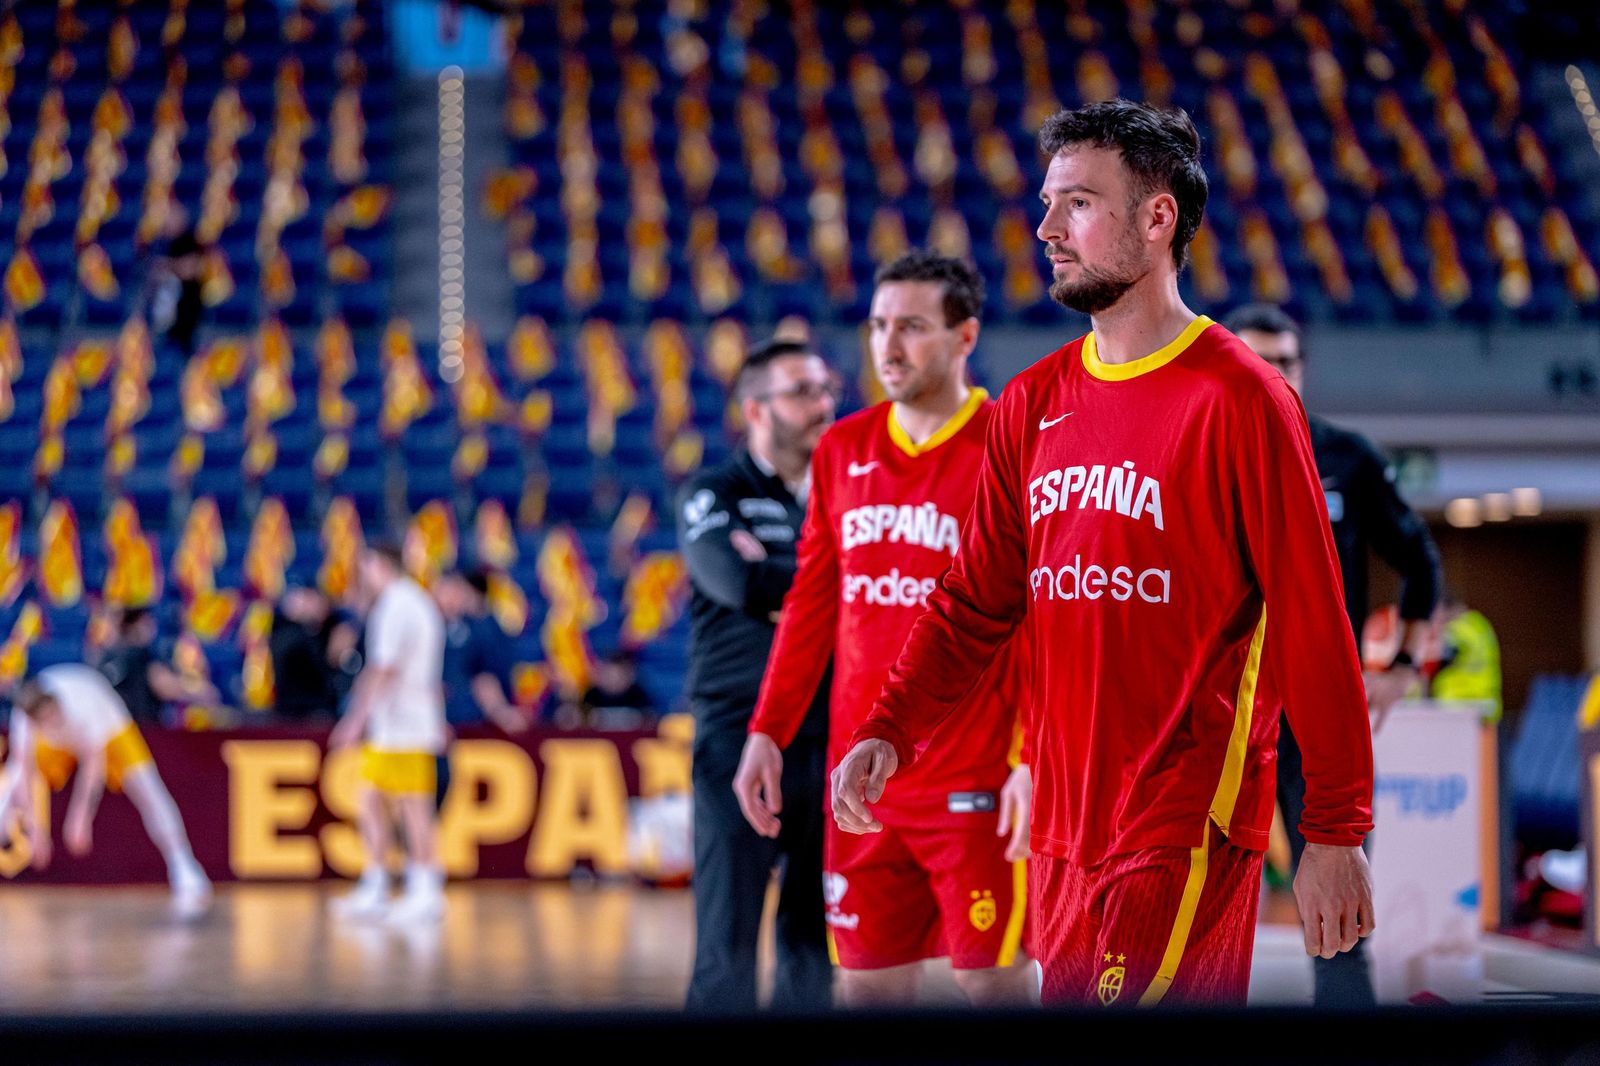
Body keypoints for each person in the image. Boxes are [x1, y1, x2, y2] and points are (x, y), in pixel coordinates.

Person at [832, 99, 1376, 1008]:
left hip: (1181, 821)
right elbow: (973, 602)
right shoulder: (1032, 401)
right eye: (1048, 203)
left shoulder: (1241, 398)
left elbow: (1315, 624)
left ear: (1157, 219)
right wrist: (890, 727)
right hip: (1062, 827)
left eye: (1078, 203)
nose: (1046, 228)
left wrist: (1334, 829)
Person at [734, 251, 1034, 1007]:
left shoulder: (1011, 443)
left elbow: (1040, 616)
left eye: (911, 327)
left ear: (965, 337)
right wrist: (766, 730)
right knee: (866, 988)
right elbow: (810, 606)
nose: (887, 347)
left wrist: (1034, 756)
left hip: (978, 774)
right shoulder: (842, 448)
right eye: (876, 326)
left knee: (991, 980)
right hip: (861, 780)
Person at [1229, 303, 1443, 1007]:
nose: (1273, 374)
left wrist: (1403, 669)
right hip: (1218, 720)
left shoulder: (1346, 456)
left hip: (1316, 719)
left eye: (1285, 360)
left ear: (1303, 367)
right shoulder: (1197, 448)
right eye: (1258, 359)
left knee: (1338, 923)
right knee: (1188, 917)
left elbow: (1420, 560)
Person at [676, 336, 838, 1011]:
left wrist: (788, 581)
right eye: (802, 392)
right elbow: (736, 581)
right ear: (755, 410)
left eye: (826, 389)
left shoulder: (847, 490)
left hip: (829, 738)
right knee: (727, 949)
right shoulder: (715, 490)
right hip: (736, 738)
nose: (823, 404)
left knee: (813, 950)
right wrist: (832, 583)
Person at [0, 664, 212, 916]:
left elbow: (93, 765)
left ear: (57, 705)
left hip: (111, 729)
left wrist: (80, 818)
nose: (52, 723)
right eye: (43, 721)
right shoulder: (24, 719)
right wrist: (36, 832)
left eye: (52, 716)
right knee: (11, 778)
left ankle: (183, 865)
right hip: (56, 744)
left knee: (147, 787)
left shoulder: (84, 708)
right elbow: (25, 771)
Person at [328, 543, 448, 924]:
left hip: (404, 726)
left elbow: (383, 668)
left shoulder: (397, 605)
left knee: (414, 807)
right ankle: (378, 882)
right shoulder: (414, 601)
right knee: (372, 800)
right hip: (399, 724)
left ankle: (424, 888)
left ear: (380, 565)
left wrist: (354, 719)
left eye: (367, 567)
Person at [433, 568, 525, 734]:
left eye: (455, 590)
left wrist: (500, 712)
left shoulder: (474, 630)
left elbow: (483, 678)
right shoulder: (423, 628)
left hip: (464, 719)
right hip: (425, 720)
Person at [96, 606, 220, 727]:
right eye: (147, 622)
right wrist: (200, 694)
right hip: (142, 730)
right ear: (138, 625)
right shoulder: (140, 655)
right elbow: (165, 687)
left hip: (116, 729)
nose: (151, 626)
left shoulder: (106, 655)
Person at [269, 586, 357, 725]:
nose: (312, 605)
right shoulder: (285, 632)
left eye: (315, 599)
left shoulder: (332, 627)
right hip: (291, 711)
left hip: (323, 710)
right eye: (307, 600)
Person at [1430, 590, 1502, 720]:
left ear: (1444, 608)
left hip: (1464, 704)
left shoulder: (1459, 626)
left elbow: (1443, 655)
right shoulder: (1477, 623)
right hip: (1484, 701)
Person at [579, 650, 654, 731]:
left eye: (618, 676)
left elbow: (649, 719)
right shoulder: (591, 695)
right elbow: (580, 720)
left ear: (629, 676)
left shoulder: (638, 695)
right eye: (610, 676)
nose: (613, 681)